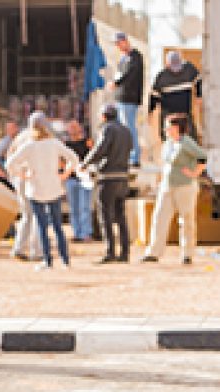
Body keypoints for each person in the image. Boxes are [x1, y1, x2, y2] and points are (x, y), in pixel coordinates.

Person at [6, 112, 79, 271]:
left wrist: (23, 175)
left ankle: (47, 261)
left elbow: (10, 164)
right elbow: (73, 158)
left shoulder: (29, 145)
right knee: (58, 227)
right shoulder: (54, 143)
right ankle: (65, 261)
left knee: (42, 226)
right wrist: (65, 173)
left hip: (35, 188)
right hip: (54, 187)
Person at [141, 115, 206, 265]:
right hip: (167, 185)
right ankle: (154, 252)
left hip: (185, 186)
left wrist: (195, 173)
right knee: (159, 217)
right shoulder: (168, 144)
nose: (166, 129)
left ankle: (187, 254)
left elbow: (202, 157)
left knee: (186, 220)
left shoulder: (186, 142)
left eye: (168, 126)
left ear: (177, 128)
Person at [80, 104, 133, 264]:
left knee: (105, 216)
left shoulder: (107, 129)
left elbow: (100, 149)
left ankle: (110, 251)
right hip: (123, 177)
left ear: (103, 116)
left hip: (107, 177)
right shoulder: (126, 130)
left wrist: (86, 163)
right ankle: (124, 253)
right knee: (121, 216)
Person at [108, 32, 144, 167]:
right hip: (121, 98)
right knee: (122, 128)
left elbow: (130, 74)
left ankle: (135, 157)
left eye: (119, 43)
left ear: (125, 41)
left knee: (129, 128)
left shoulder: (135, 57)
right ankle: (124, 155)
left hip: (130, 98)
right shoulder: (124, 58)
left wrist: (117, 82)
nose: (117, 46)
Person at [7, 122, 42, 261]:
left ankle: (18, 248)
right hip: (31, 179)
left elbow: (9, 158)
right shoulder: (37, 138)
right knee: (38, 215)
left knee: (27, 215)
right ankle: (37, 251)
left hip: (20, 179)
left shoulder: (20, 137)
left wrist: (15, 177)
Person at [149, 51, 202, 141]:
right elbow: (154, 96)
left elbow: (199, 81)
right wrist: (150, 111)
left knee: (191, 140)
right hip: (169, 116)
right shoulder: (161, 77)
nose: (176, 71)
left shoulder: (189, 69)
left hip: (185, 114)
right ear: (167, 64)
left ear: (181, 61)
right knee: (169, 141)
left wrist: (199, 95)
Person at [64, 120, 93, 242]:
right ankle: (76, 232)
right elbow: (61, 160)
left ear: (80, 128)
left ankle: (85, 233)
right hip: (71, 179)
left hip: (85, 179)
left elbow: (94, 156)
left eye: (75, 127)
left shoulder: (87, 142)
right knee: (74, 208)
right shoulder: (65, 144)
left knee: (84, 207)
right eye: (71, 127)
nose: (73, 129)